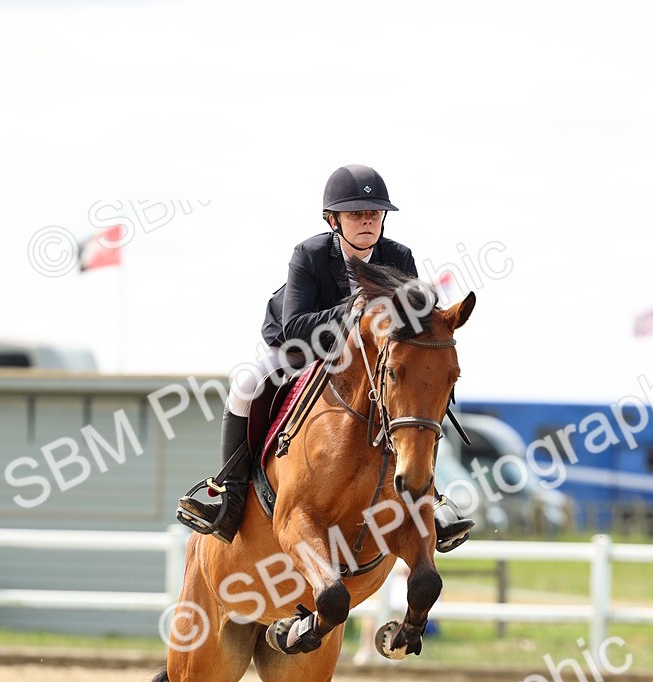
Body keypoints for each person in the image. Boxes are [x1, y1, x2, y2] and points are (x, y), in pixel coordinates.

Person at [177, 164, 474, 551]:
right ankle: (230, 494)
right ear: (334, 219)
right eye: (356, 214)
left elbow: (415, 324)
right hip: (302, 346)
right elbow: (295, 326)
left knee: (422, 384)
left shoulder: (399, 257)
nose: (367, 220)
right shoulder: (310, 254)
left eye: (374, 213)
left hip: (367, 359)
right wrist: (354, 310)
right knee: (246, 383)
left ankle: (428, 498)